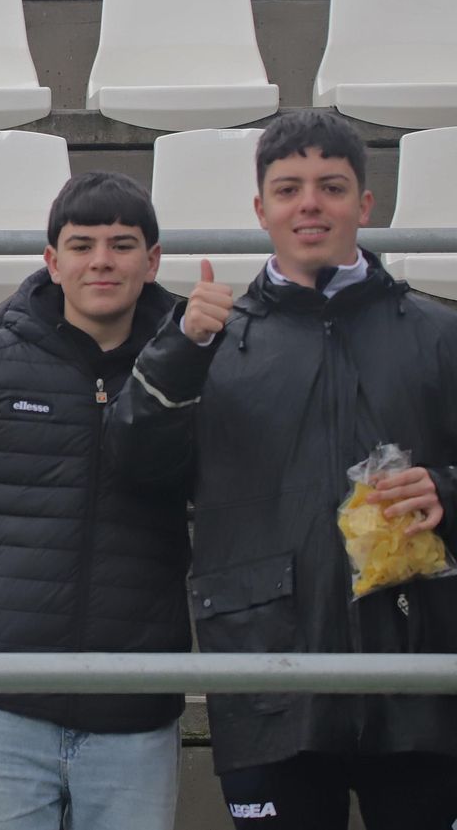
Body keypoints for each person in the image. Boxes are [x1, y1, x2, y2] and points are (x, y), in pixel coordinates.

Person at [114, 110, 457, 830]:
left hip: (422, 670)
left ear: (365, 205)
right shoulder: (211, 338)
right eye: (289, 187)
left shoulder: (437, 332)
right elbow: (135, 466)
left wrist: (446, 492)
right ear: (260, 208)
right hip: (268, 672)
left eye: (331, 186)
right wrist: (177, 349)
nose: (310, 203)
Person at [0, 172, 191, 830]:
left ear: (153, 259)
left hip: (134, 712)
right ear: (52, 260)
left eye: (122, 243)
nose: (101, 259)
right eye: (81, 244)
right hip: (0, 706)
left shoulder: (193, 369)